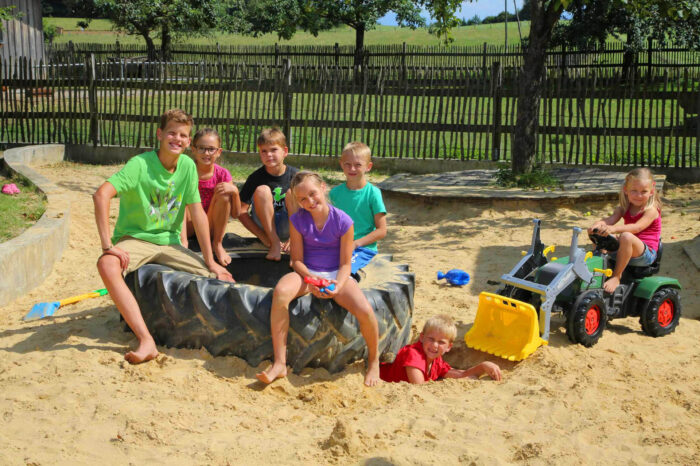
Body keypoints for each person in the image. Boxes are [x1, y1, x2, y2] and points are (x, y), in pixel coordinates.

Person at [94, 109, 234, 364]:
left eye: (183, 135)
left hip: (169, 241)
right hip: (136, 238)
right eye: (172, 132)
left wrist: (210, 260)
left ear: (188, 141)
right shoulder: (140, 164)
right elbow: (101, 194)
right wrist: (107, 245)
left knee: (220, 276)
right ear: (159, 134)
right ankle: (146, 339)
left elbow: (198, 214)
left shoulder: (188, 166)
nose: (177, 139)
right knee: (107, 263)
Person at [256, 171, 381, 387]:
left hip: (336, 273)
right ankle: (279, 362)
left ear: (323, 187)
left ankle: (373, 360)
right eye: (302, 199)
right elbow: (296, 261)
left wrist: (337, 285)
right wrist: (310, 279)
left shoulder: (343, 221)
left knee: (366, 311)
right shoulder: (298, 220)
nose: (310, 201)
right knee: (281, 292)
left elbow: (345, 264)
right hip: (308, 273)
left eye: (313, 194)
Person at [588, 167, 662, 293]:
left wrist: (614, 229)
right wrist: (597, 225)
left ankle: (616, 276)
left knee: (626, 236)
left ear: (651, 191)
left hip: (646, 254)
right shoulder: (624, 207)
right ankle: (600, 263)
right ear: (626, 190)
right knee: (595, 231)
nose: (638, 195)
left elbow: (637, 227)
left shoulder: (651, 210)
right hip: (626, 247)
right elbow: (609, 220)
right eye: (634, 191)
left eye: (643, 191)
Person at [380, 315, 502, 384]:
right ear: (421, 337)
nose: (435, 345)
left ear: (449, 347)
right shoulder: (414, 354)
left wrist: (483, 367)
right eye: (431, 339)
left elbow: (462, 375)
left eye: (441, 342)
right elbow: (419, 386)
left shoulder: (436, 360)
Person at [181, 128, 241, 266]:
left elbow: (236, 214)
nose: (206, 153)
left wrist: (235, 192)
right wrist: (184, 240)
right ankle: (183, 242)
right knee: (181, 195)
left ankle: (217, 244)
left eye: (211, 149)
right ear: (193, 149)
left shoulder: (223, 175)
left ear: (219, 152)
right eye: (202, 148)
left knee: (224, 194)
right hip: (189, 226)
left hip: (211, 226)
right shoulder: (186, 170)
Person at [238, 128, 298, 261]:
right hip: (265, 227)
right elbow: (241, 211)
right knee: (262, 191)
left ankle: (295, 240)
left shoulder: (296, 176)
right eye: (264, 151)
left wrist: (296, 236)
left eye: (273, 150)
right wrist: (262, 236)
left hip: (290, 226)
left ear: (285, 152)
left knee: (293, 192)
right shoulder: (255, 178)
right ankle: (274, 242)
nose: (268, 155)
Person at [330, 142, 387, 274]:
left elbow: (382, 230)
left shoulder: (373, 193)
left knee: (344, 270)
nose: (352, 169)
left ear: (368, 166)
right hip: (339, 246)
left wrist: (355, 244)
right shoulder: (335, 193)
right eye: (348, 164)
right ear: (341, 164)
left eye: (358, 165)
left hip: (363, 248)